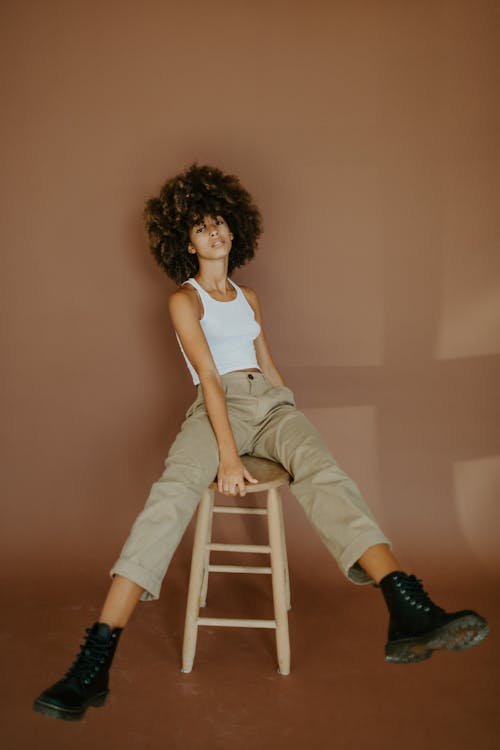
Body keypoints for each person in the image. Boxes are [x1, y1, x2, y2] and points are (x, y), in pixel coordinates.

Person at [33, 163, 489, 722]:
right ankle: (95, 661)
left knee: (325, 471)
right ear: (185, 240)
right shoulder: (186, 300)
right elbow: (209, 380)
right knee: (169, 497)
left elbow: (267, 365)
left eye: (219, 221)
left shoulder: (249, 295)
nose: (214, 232)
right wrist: (227, 453)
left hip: (269, 405)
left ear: (235, 227)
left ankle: (406, 606)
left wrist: (289, 417)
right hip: (215, 408)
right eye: (200, 227)